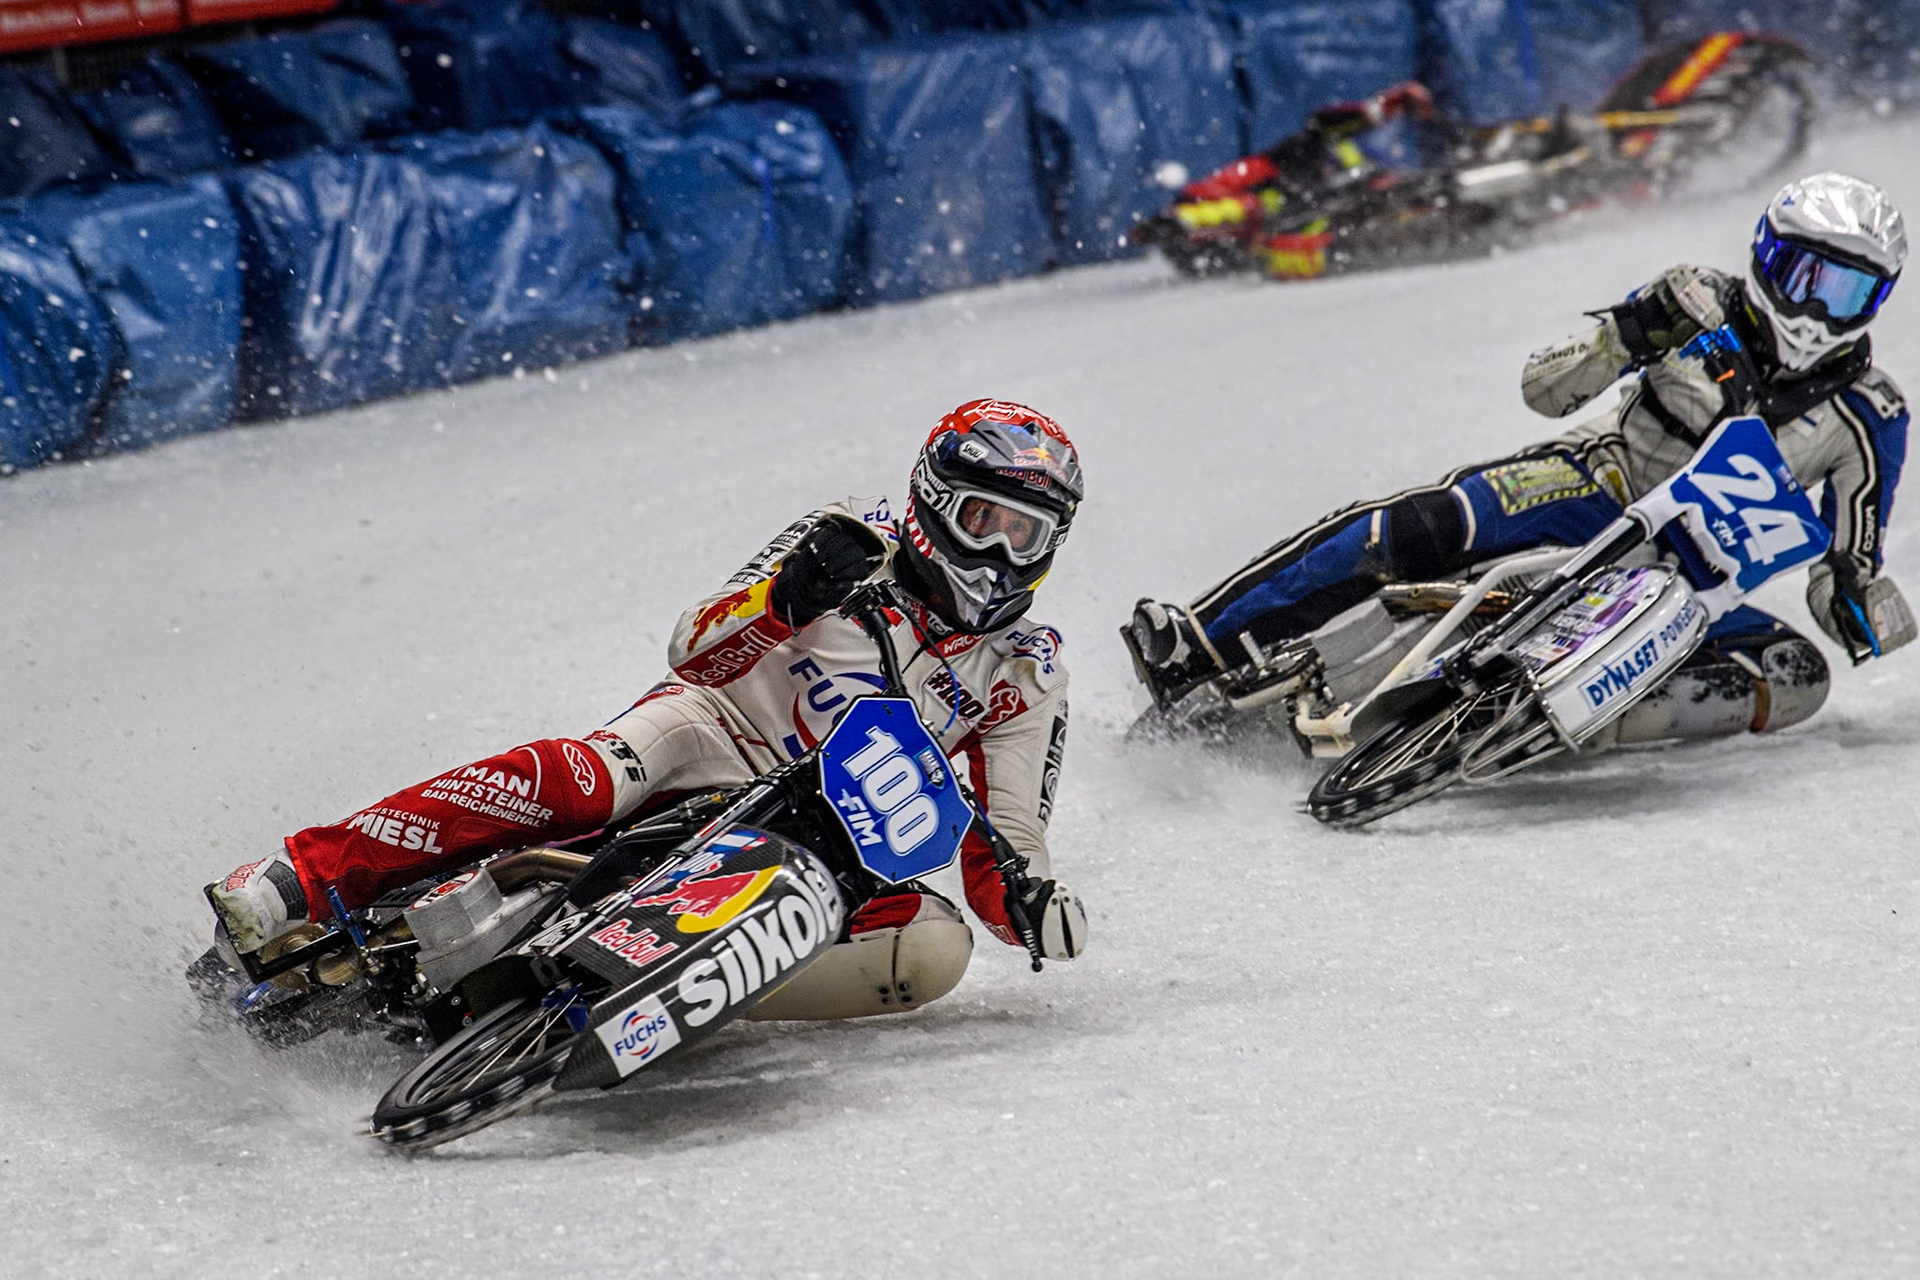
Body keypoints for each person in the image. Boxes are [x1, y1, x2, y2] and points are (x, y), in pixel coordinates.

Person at [210, 399, 1089, 1018]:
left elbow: (1006, 833)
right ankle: (301, 875)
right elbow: (694, 647)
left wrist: (1029, 899)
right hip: (711, 732)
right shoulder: (852, 533)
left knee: (935, 949)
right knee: (590, 779)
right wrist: (784, 596)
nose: (999, 554)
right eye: (985, 519)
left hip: (818, 842)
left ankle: (677, 1001)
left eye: (1027, 534)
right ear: (934, 502)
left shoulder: (1025, 670)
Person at [1127, 171, 1915, 743]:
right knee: (1414, 526)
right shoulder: (1692, 297)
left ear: (1876, 303)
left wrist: (1859, 605)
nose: (1815, 310)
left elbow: (1849, 566)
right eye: (1804, 277)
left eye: (1845, 294)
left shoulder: (1870, 415)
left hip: (1693, 581)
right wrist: (1626, 335)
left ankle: (1566, 727)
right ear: (1765, 257)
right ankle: (1198, 640)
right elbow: (1544, 389)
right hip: (1596, 481)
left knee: (1795, 673)